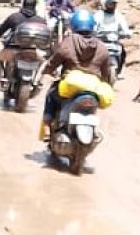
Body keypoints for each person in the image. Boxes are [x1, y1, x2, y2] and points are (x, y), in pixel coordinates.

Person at [39, 9, 112, 139]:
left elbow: (55, 60)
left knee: (51, 94)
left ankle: (46, 125)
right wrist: (106, 83)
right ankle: (93, 131)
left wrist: (48, 70)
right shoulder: (102, 47)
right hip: (93, 88)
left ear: (73, 25)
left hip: (71, 84)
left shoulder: (69, 41)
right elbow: (107, 74)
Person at [0, 0, 46, 85]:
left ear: (23, 4)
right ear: (35, 6)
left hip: (13, 50)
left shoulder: (14, 17)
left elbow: (2, 29)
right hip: (32, 52)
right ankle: (37, 81)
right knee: (43, 62)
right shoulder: (41, 20)